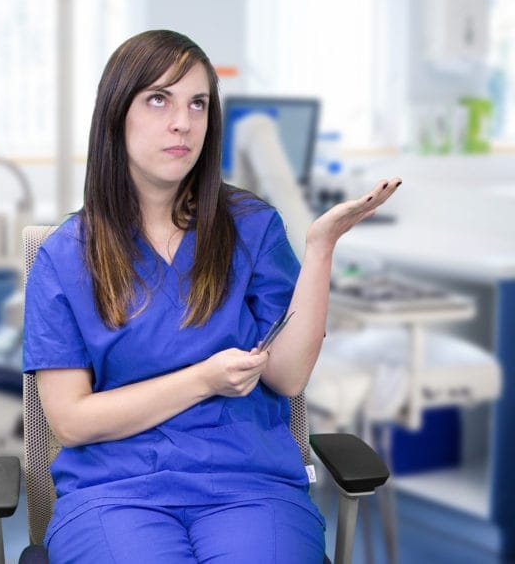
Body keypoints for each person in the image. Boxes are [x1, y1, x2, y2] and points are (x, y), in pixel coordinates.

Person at [22, 29, 401, 564]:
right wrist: (202, 380)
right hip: (114, 495)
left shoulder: (252, 227)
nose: (183, 121)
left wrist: (319, 250)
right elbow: (70, 421)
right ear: (116, 114)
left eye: (197, 103)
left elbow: (287, 376)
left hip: (250, 486)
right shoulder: (64, 257)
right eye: (159, 99)